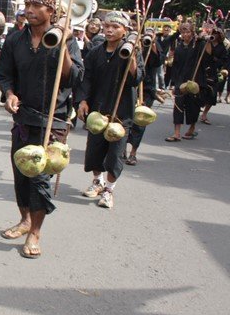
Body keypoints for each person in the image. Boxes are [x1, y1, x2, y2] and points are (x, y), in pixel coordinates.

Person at [0, 0, 83, 258]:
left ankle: (35, 232)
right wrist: (9, 94)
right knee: (21, 173)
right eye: (27, 4)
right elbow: (4, 73)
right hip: (23, 118)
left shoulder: (65, 38)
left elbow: (74, 77)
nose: (30, 10)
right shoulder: (15, 40)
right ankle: (24, 220)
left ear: (51, 10)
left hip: (53, 121)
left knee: (40, 179)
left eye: (37, 6)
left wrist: (65, 44)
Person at [76, 12, 142, 209]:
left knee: (115, 155)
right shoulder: (96, 52)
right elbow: (86, 77)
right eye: (107, 26)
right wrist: (82, 101)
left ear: (124, 30)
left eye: (115, 26)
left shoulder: (130, 51)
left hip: (121, 113)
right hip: (98, 109)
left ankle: (109, 190)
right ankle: (98, 181)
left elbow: (136, 79)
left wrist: (131, 58)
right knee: (95, 151)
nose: (110, 30)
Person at [165, 22, 212, 142]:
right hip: (180, 80)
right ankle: (176, 133)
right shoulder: (179, 46)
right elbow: (175, 65)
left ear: (192, 32)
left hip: (195, 80)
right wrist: (173, 83)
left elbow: (208, 57)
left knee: (193, 106)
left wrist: (207, 40)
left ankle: (192, 127)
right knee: (178, 106)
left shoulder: (198, 44)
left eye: (188, 32)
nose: (185, 34)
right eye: (183, 32)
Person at [125, 27, 164, 166]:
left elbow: (159, 61)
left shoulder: (154, 45)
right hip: (129, 87)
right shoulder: (131, 42)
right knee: (124, 119)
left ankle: (133, 153)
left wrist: (152, 42)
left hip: (146, 90)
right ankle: (121, 148)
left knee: (140, 121)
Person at [199, 27, 226, 124]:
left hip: (213, 71)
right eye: (213, 33)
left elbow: (224, 60)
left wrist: (217, 60)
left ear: (219, 35)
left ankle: (204, 114)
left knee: (212, 93)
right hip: (202, 69)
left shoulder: (222, 47)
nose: (214, 35)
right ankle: (196, 109)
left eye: (216, 33)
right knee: (200, 91)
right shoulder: (204, 43)